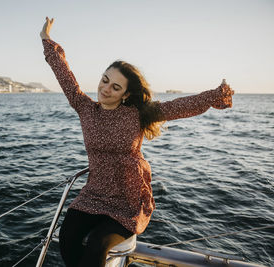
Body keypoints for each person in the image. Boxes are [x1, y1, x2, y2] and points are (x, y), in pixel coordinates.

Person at [40, 17, 234, 267]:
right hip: (94, 193)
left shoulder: (137, 114)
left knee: (99, 243)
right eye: (105, 79)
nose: (105, 88)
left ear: (126, 94)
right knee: (66, 236)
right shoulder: (85, 108)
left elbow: (178, 106)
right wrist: (47, 40)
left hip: (127, 199)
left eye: (116, 87)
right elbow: (64, 74)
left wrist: (215, 96)